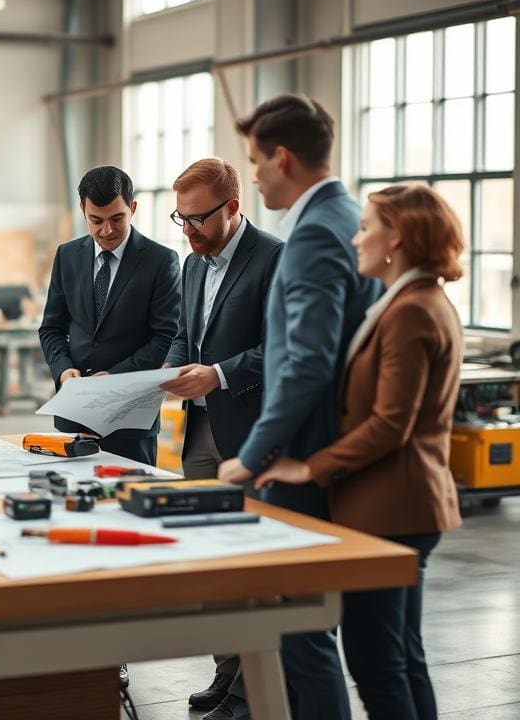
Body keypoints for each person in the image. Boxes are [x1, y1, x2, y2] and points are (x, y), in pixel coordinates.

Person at [255, 184, 464, 720]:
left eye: (369, 227)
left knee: (377, 664)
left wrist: (310, 466)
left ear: (399, 239)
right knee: (400, 656)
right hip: (404, 504)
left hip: (394, 507)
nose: (357, 237)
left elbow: (392, 423)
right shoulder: (410, 301)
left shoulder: (413, 311)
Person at [217, 94, 380, 720]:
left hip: (300, 452)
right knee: (331, 635)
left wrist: (253, 455)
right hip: (335, 447)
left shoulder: (312, 233)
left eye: (256, 161)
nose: (253, 175)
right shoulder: (348, 215)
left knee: (297, 630)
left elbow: (306, 361)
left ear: (283, 158)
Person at [159, 158, 282, 720]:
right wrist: (163, 376)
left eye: (199, 219)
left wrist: (221, 373)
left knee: (250, 563)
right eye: (180, 219)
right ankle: (227, 671)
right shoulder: (192, 263)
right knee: (211, 562)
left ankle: (250, 691)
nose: (188, 230)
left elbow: (280, 348)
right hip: (200, 432)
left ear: (233, 208)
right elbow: (186, 336)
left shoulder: (273, 259)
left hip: (251, 434)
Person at [39, 165, 181, 466]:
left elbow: (166, 337)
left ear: (133, 207)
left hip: (132, 418)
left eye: (117, 218)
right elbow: (52, 328)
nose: (107, 231)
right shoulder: (67, 256)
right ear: (83, 210)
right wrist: (64, 370)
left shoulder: (161, 261)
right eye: (96, 220)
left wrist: (113, 378)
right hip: (75, 414)